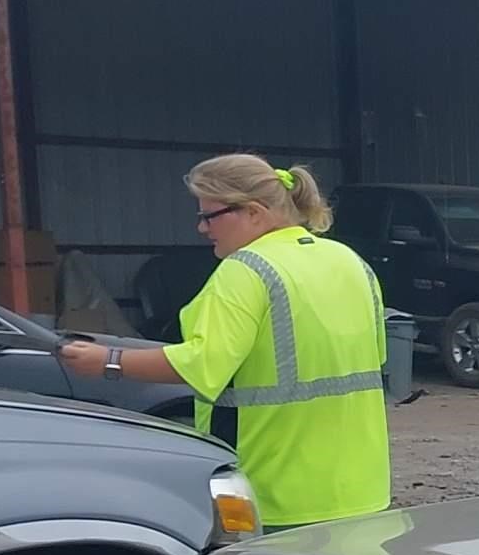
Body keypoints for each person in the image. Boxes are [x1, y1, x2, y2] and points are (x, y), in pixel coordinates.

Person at [60, 154, 390, 528]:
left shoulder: (246, 270)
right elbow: (374, 361)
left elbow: (202, 364)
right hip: (363, 491)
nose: (201, 228)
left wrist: (108, 360)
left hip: (276, 495)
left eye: (209, 216)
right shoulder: (350, 262)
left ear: (253, 212)